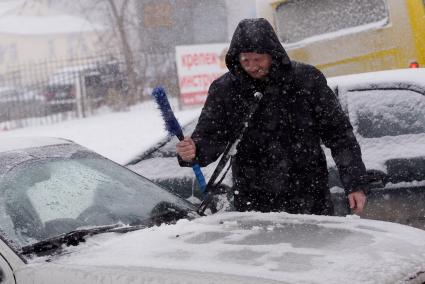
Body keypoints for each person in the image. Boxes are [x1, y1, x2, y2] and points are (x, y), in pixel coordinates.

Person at [176, 18, 368, 215]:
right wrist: (194, 150)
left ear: (273, 55)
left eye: (258, 59)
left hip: (309, 197)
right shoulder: (225, 90)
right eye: (245, 60)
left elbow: (339, 135)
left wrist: (355, 184)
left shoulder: (306, 81)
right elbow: (210, 136)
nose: (251, 66)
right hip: (254, 202)